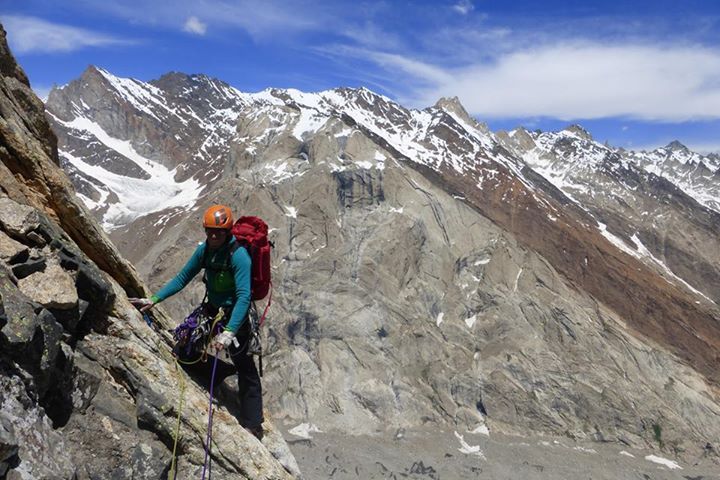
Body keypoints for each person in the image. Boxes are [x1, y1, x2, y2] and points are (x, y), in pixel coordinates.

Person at [131, 205, 264, 439]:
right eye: (210, 231)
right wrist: (153, 299)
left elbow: (244, 296)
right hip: (212, 309)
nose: (214, 236)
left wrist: (230, 332)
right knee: (184, 349)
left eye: (219, 232)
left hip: (235, 313)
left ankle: (253, 423)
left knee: (246, 367)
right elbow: (183, 277)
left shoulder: (239, 255)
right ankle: (221, 372)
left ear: (228, 232)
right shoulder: (204, 251)